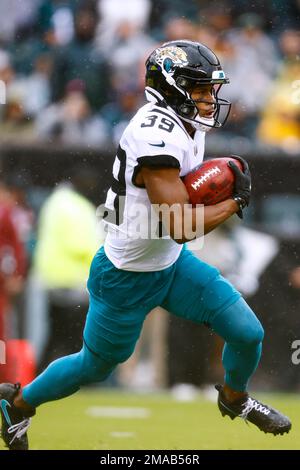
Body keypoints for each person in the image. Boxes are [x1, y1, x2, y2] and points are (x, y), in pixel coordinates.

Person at [0, 40, 291, 450]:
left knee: (247, 332)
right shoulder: (155, 133)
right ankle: (19, 403)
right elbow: (181, 225)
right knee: (94, 366)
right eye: (200, 89)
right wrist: (235, 200)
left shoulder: (187, 123)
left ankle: (234, 398)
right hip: (126, 276)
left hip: (170, 265)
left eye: (211, 89)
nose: (210, 99)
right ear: (171, 87)